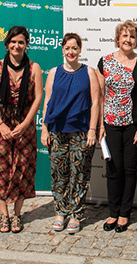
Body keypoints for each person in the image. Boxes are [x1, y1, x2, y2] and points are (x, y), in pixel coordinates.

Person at [0, 26, 44, 234]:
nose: (16, 46)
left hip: (24, 125)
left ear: (27, 45)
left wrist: (26, 124)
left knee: (22, 170)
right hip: (2, 125)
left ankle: (17, 214)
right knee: (1, 169)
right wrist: (1, 124)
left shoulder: (34, 68)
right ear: (7, 44)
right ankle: (4, 215)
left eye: (21, 42)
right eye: (13, 42)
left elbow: (37, 98)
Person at [97, 20, 137, 233]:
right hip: (110, 124)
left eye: (132, 36)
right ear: (117, 39)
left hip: (133, 125)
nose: (128, 40)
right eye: (124, 36)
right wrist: (100, 125)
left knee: (129, 170)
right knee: (113, 169)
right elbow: (100, 96)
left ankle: (124, 214)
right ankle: (113, 213)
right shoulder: (104, 62)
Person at [40, 33, 100, 234]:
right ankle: (60, 212)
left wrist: (93, 130)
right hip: (57, 131)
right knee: (59, 174)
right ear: (62, 50)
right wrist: (44, 128)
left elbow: (95, 103)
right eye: (67, 48)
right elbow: (47, 101)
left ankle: (76, 213)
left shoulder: (89, 72)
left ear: (80, 49)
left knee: (80, 174)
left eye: (75, 48)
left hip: (81, 131)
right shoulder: (54, 72)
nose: (71, 52)